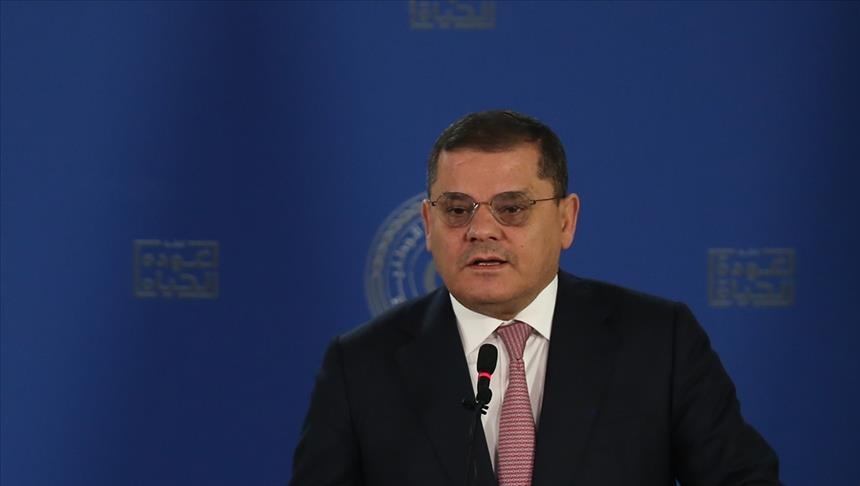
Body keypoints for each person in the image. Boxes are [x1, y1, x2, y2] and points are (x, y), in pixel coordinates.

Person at [290, 110, 780, 485]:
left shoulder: (659, 343)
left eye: (512, 208)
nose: (482, 229)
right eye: (457, 210)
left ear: (566, 220)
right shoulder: (361, 366)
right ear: (428, 224)